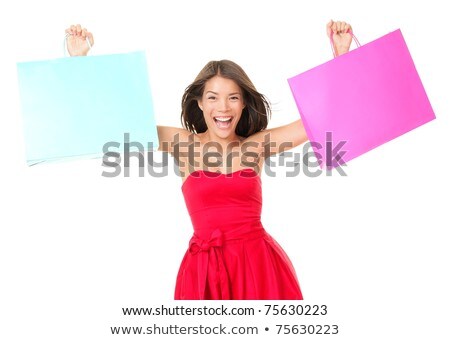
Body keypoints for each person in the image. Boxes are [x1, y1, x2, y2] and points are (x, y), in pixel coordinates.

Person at [65, 20, 353, 299]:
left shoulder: (257, 146)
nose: (223, 108)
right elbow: (114, 126)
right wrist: (81, 62)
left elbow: (317, 120)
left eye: (233, 98)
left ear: (243, 103)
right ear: (200, 103)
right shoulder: (181, 144)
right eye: (213, 98)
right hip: (202, 273)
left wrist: (341, 57)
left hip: (258, 267)